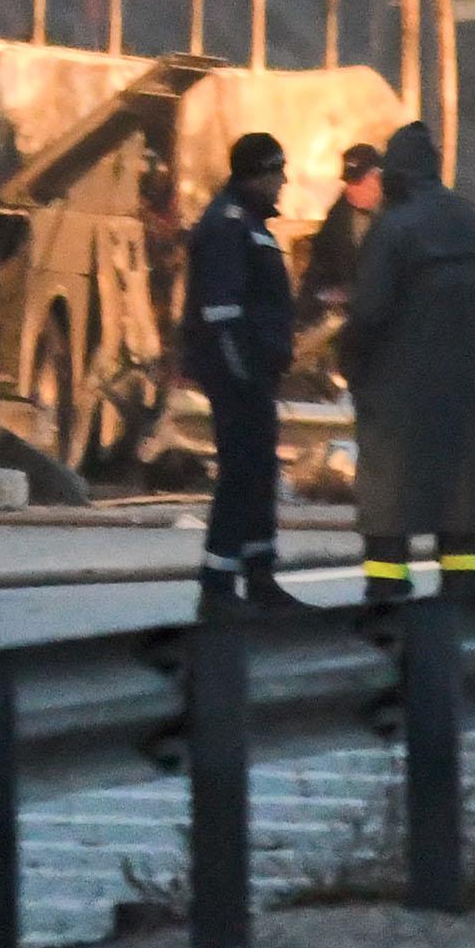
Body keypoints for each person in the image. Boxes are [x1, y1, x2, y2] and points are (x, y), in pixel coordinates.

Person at [342, 122, 475, 599]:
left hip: (398, 390)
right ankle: (463, 582)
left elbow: (368, 312)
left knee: (389, 493)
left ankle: (388, 590)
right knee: (459, 493)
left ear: (396, 174)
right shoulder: (473, 220)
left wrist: (354, 367)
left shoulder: (393, 228)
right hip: (466, 385)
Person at [183, 132, 304, 619]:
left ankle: (259, 575)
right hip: (239, 378)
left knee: (259, 472)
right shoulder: (229, 225)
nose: (284, 182)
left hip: (254, 375)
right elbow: (221, 313)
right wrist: (241, 375)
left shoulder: (248, 222)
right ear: (259, 174)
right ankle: (217, 585)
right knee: (241, 472)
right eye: (278, 173)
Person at [297, 143, 386, 323]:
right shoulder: (339, 215)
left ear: (377, 177)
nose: (351, 190)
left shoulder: (402, 213)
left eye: (358, 182)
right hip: (353, 317)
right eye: (348, 182)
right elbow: (320, 262)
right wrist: (313, 301)